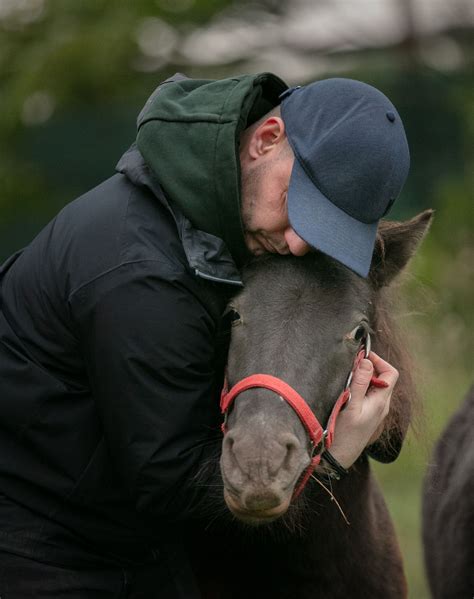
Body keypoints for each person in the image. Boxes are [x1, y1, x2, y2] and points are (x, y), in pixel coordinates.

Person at [0, 72, 409, 596]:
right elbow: (166, 480)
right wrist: (327, 463)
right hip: (43, 549)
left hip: (122, 535)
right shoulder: (139, 267)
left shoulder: (213, 224)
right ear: (265, 141)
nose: (299, 243)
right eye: (300, 208)